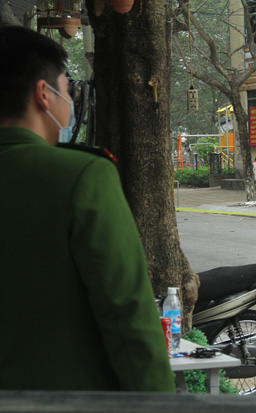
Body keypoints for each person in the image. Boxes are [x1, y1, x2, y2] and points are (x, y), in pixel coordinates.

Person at [0, 26, 175, 392]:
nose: (71, 102)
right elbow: (127, 316)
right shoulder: (81, 176)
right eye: (67, 89)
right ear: (43, 95)